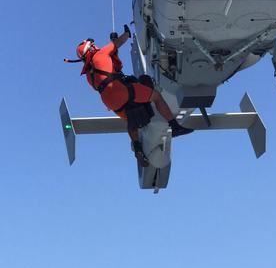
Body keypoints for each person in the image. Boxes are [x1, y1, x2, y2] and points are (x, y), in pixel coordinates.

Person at [74, 25, 193, 167]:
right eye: (93, 45)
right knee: (156, 96)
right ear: (91, 48)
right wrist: (126, 34)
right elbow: (118, 43)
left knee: (131, 118)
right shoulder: (100, 54)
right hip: (121, 91)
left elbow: (111, 71)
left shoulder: (89, 75)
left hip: (110, 102)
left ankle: (137, 147)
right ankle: (175, 126)